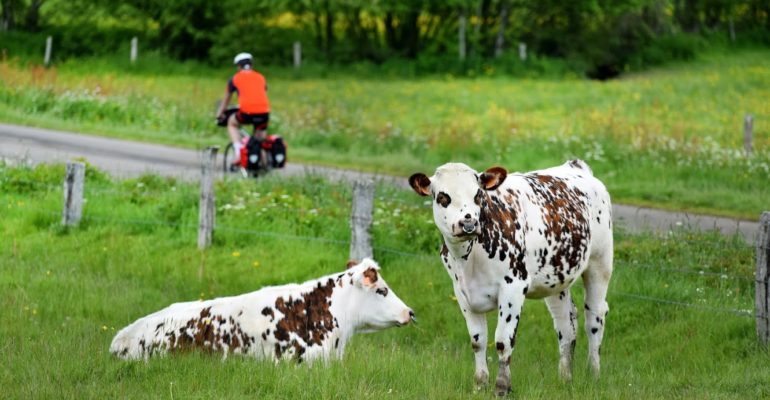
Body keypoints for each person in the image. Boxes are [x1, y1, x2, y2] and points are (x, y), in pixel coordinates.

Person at [216, 52, 270, 165]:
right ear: (251, 64)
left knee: (232, 123)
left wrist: (219, 114)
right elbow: (261, 94)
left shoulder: (235, 79)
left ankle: (238, 152)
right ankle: (264, 165)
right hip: (264, 113)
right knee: (259, 141)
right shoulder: (261, 77)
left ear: (238, 66)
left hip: (247, 112)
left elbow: (226, 100)